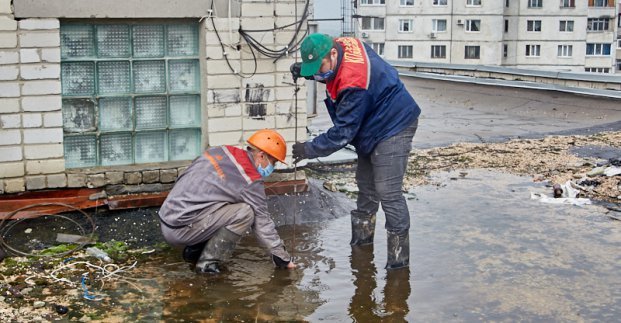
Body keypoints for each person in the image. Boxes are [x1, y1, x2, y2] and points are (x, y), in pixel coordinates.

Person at [290, 33, 421, 270]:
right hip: (371, 122)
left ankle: (398, 264)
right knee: (366, 185)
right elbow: (332, 71)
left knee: (387, 192)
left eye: (318, 67)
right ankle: (361, 246)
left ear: (332, 54)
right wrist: (306, 69)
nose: (318, 73)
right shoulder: (341, 44)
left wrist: (307, 149)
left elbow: (342, 134)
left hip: (394, 124)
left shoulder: (353, 83)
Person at [158, 129, 296, 274]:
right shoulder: (250, 180)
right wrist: (282, 258)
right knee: (245, 212)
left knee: (224, 200)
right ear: (261, 156)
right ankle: (208, 264)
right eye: (273, 163)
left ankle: (194, 251)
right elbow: (263, 222)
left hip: (168, 216)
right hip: (180, 229)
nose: (271, 168)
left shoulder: (222, 151)